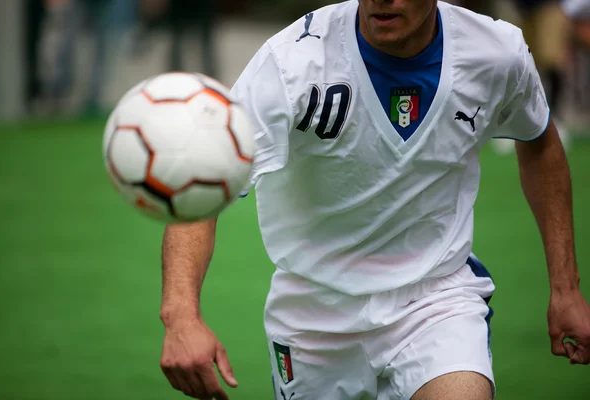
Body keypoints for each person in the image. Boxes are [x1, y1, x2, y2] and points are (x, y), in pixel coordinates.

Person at [158, 1, 590, 399]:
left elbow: (539, 142)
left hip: (434, 298)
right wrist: (181, 315)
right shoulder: (291, 62)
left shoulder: (496, 53)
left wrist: (565, 288)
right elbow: (204, 186)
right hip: (314, 312)